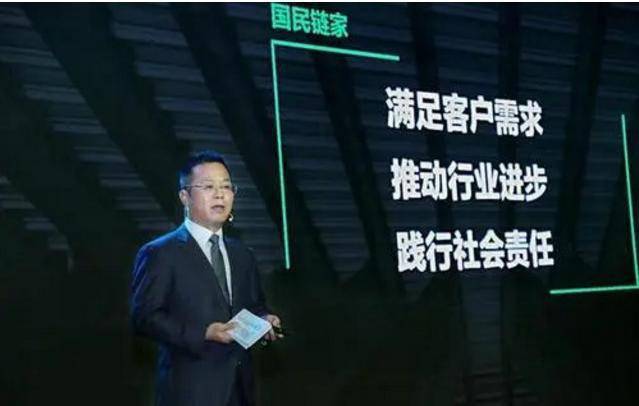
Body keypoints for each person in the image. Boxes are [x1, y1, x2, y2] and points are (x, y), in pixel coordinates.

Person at [130, 150, 282, 406]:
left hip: (241, 390)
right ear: (185, 196)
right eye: (208, 187)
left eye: (226, 186)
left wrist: (265, 319)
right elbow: (145, 318)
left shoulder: (242, 254)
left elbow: (254, 305)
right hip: (190, 392)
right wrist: (204, 333)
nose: (220, 194)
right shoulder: (160, 253)